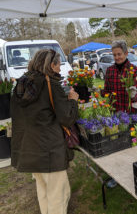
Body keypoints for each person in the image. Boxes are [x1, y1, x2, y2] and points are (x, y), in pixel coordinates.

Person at [10, 49, 79, 214]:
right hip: (50, 151)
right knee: (58, 195)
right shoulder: (51, 85)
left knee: (43, 192)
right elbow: (67, 118)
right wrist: (73, 101)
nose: (60, 68)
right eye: (59, 64)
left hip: (29, 149)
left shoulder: (21, 84)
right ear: (51, 64)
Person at [101, 40, 137, 113]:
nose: (116, 57)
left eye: (119, 54)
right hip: (115, 112)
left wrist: (134, 95)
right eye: (114, 55)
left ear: (126, 53)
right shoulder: (109, 70)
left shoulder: (134, 70)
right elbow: (107, 91)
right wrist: (98, 91)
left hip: (131, 112)